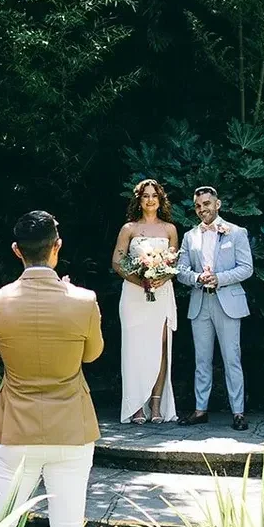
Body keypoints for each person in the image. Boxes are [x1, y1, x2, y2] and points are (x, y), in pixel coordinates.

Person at [0, 212, 104, 527]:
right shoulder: (84, 301)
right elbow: (93, 354)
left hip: (16, 428)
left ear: (17, 251)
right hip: (72, 428)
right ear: (57, 247)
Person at [176, 186, 254, 430]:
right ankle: (200, 410)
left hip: (227, 301)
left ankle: (238, 412)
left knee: (232, 359)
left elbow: (246, 268)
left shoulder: (236, 232)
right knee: (201, 359)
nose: (202, 210)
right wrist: (198, 278)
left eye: (206, 204)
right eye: (198, 206)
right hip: (201, 302)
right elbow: (180, 270)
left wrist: (219, 278)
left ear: (217, 204)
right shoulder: (190, 236)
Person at [112, 178, 179, 425]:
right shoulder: (129, 228)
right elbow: (117, 262)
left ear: (160, 200)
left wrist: (162, 275)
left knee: (160, 346)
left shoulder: (170, 229)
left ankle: (156, 403)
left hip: (161, 292)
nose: (150, 200)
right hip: (134, 292)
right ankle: (136, 405)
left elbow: (174, 264)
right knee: (134, 346)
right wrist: (140, 280)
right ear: (138, 201)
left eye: (154, 196)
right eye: (145, 196)